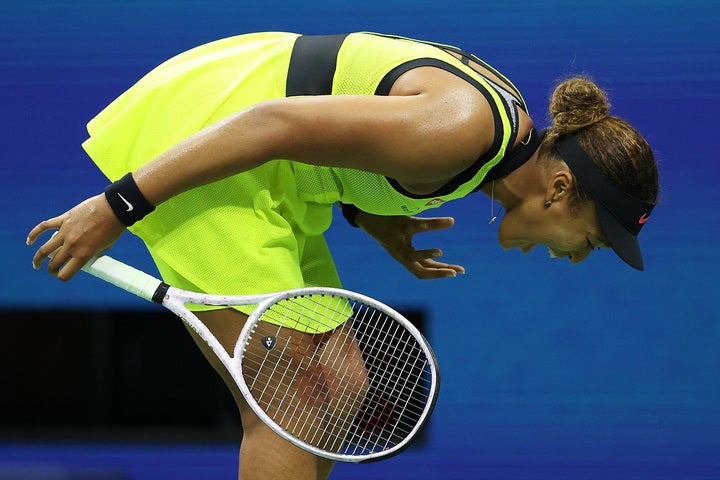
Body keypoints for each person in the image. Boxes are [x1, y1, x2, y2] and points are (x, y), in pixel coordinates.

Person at [26, 32, 659, 479]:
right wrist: (117, 206)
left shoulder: (494, 140)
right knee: (291, 402)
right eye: (592, 240)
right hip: (212, 136)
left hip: (274, 180)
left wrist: (371, 213)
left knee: (340, 386)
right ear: (560, 188)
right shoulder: (463, 130)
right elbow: (274, 123)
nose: (578, 257)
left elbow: (344, 121)